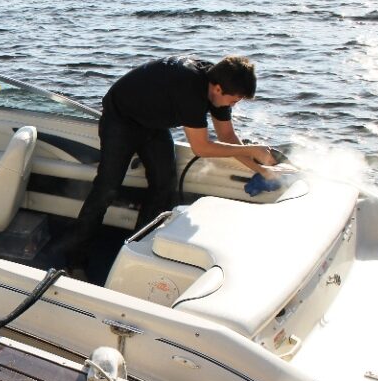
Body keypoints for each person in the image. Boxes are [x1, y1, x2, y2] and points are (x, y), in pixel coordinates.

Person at [66, 55, 278, 274]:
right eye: (234, 101)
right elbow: (202, 148)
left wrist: (263, 169)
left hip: (155, 123)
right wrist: (252, 151)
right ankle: (74, 260)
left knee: (164, 185)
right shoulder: (191, 91)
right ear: (217, 88)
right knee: (106, 189)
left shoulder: (220, 85)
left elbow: (228, 137)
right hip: (121, 119)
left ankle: (137, 251)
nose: (233, 105)